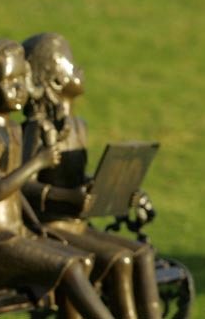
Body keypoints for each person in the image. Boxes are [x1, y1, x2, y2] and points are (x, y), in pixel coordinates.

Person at [0, 39, 114, 319]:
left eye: (22, 80)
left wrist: (38, 229)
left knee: (82, 259)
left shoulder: (12, 129)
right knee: (72, 265)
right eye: (9, 81)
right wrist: (39, 161)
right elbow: (0, 190)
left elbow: (18, 195)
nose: (19, 90)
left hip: (17, 236)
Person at [20, 32, 162, 319]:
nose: (80, 70)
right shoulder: (37, 129)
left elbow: (77, 178)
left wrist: (122, 189)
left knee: (143, 254)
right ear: (56, 81)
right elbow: (24, 187)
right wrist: (69, 197)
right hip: (52, 227)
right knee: (120, 259)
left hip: (77, 224)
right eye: (73, 65)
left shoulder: (79, 126)